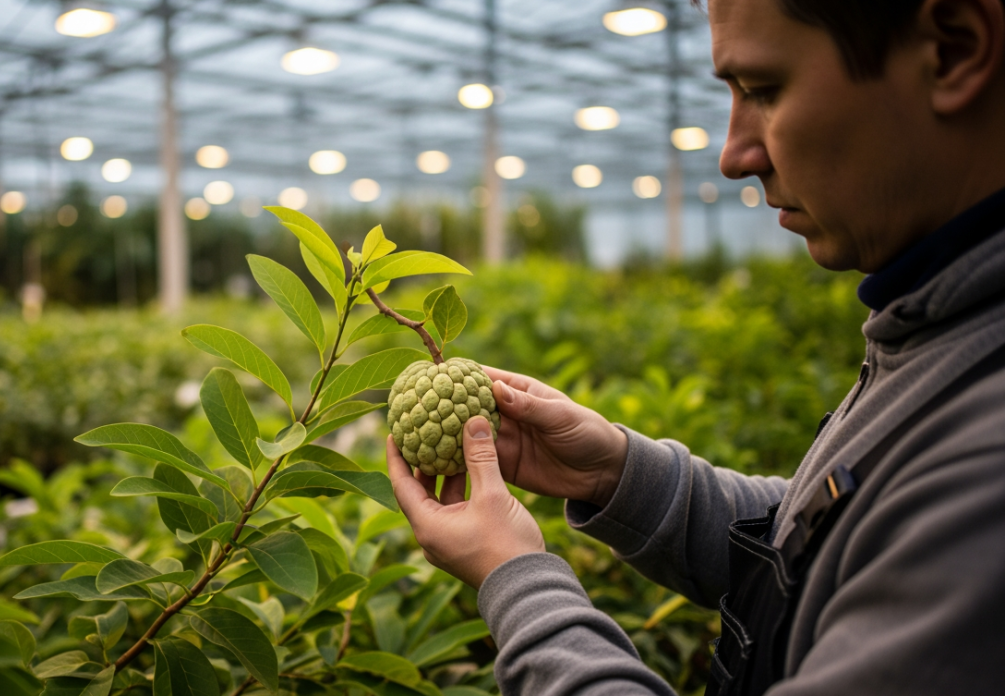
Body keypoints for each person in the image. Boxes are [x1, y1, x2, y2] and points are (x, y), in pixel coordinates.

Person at [385, 0, 1005, 693]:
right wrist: (620, 476)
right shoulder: (940, 326)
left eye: (764, 91)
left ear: (951, 48)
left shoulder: (989, 475)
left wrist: (516, 579)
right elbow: (831, 541)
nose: (733, 155)